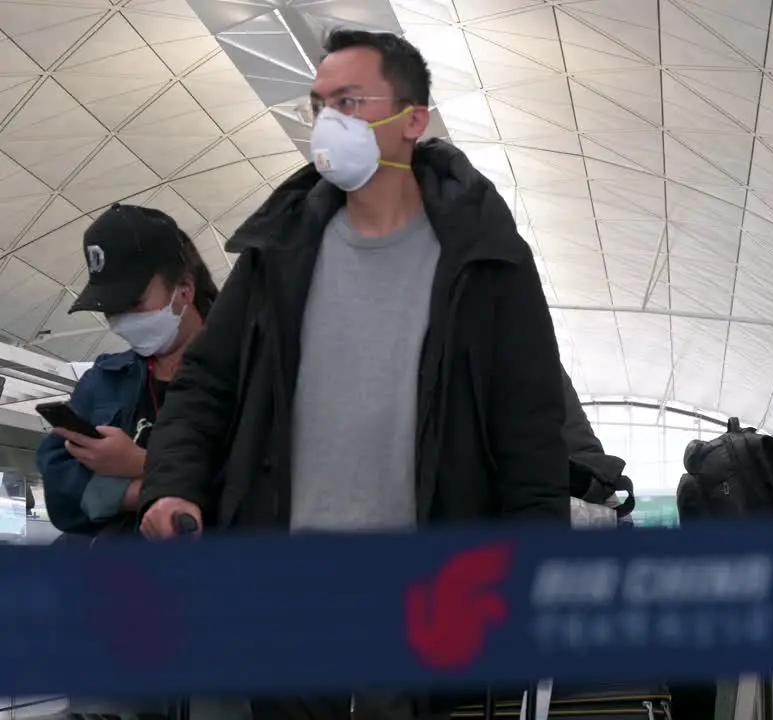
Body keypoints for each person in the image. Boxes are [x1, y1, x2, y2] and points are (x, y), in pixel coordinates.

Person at [137, 27, 568, 717]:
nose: (327, 122)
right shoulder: (276, 253)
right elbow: (206, 385)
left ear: (413, 121)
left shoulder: (487, 263)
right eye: (318, 105)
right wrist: (172, 485)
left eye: (350, 101)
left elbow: (529, 428)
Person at [36, 204, 218, 537]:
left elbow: (258, 479)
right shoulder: (104, 379)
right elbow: (59, 485)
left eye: (133, 305)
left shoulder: (247, 371)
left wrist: (138, 464)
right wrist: (150, 492)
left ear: (184, 291)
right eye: (112, 310)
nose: (122, 322)